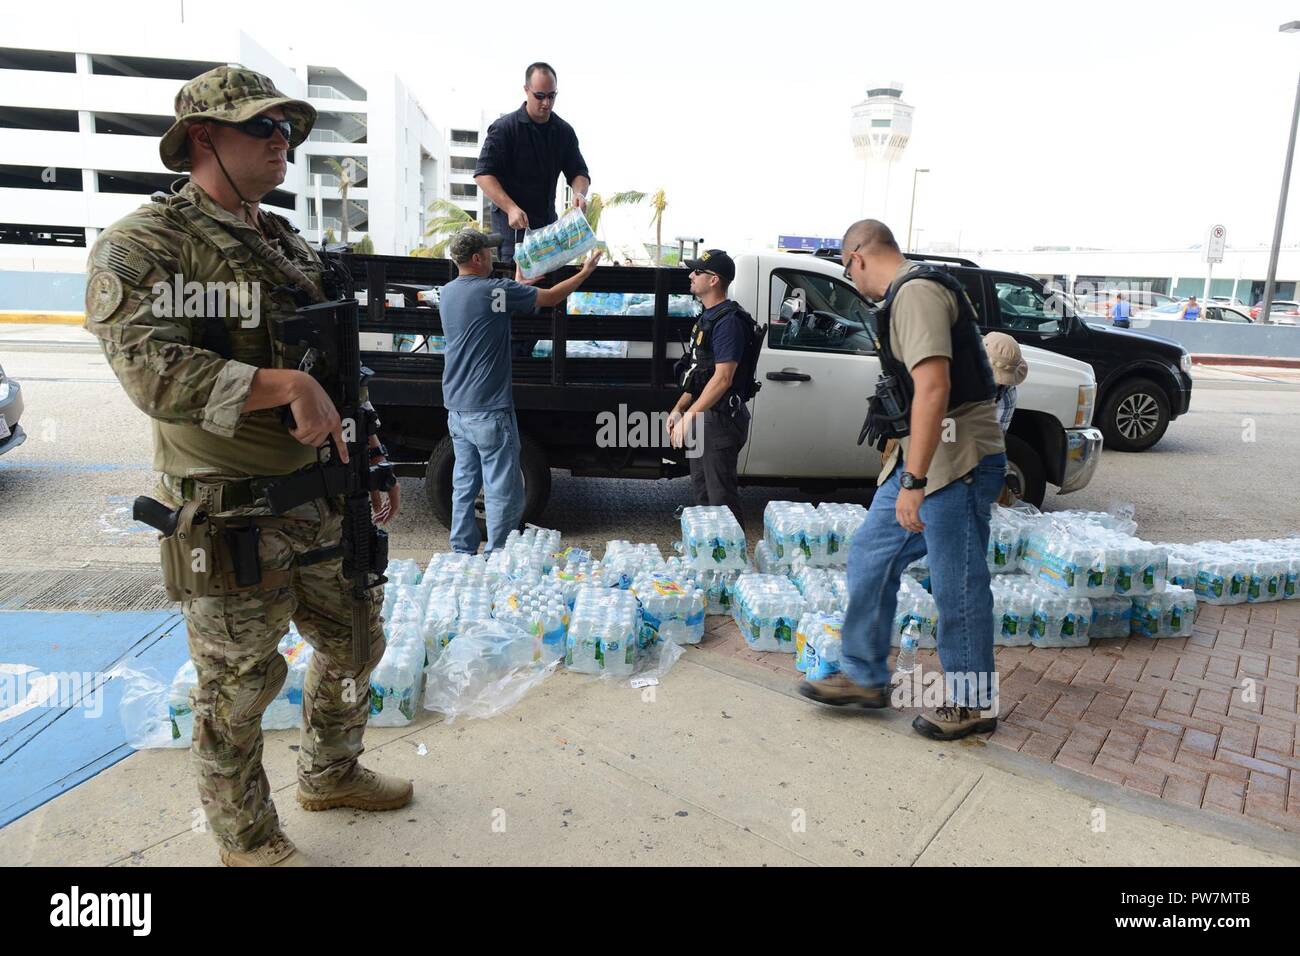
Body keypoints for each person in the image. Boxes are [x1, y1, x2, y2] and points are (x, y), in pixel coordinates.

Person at [83, 66, 408, 867]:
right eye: (262, 128)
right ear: (203, 138)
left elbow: (335, 368)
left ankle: (331, 772)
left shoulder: (285, 241)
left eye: (290, 131)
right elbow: (148, 370)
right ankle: (247, 839)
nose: (282, 144)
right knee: (238, 687)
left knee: (355, 641)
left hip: (325, 499)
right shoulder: (145, 244)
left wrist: (369, 451)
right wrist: (281, 385)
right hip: (231, 511)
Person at [799, 219, 1007, 741]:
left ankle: (972, 702)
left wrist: (914, 479)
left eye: (847, 269)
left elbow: (934, 387)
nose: (853, 278)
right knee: (871, 552)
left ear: (859, 258)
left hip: (954, 459)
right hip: (923, 456)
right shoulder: (906, 293)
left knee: (956, 582)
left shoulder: (915, 293)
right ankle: (866, 676)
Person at [438, 229, 601, 553]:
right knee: (502, 489)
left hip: (457, 408)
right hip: (489, 409)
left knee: (464, 483)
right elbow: (551, 297)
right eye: (489, 251)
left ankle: (462, 551)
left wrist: (517, 281)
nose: (492, 255)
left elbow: (502, 299)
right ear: (477, 258)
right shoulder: (493, 290)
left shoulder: (449, 292)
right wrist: (584, 272)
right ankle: (498, 555)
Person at [668, 250, 756, 531]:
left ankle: (734, 569)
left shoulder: (728, 322)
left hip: (720, 420)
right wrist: (679, 408)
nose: (691, 276)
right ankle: (712, 563)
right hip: (706, 417)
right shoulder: (709, 317)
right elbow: (699, 373)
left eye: (697, 272)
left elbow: (723, 379)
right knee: (703, 494)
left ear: (714, 280)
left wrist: (690, 416)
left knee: (721, 502)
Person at [474, 62, 591, 261]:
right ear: (526, 90)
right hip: (512, 228)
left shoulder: (564, 132)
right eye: (540, 96)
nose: (546, 103)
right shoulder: (504, 129)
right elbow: (483, 175)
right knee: (518, 287)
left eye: (551, 96)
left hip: (548, 227)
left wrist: (579, 193)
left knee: (551, 287)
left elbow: (579, 172)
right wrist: (510, 208)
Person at [983, 331, 1029, 505]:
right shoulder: (953, 373)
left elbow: (995, 438)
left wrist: (1003, 469)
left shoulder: (1007, 393)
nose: (1000, 383)